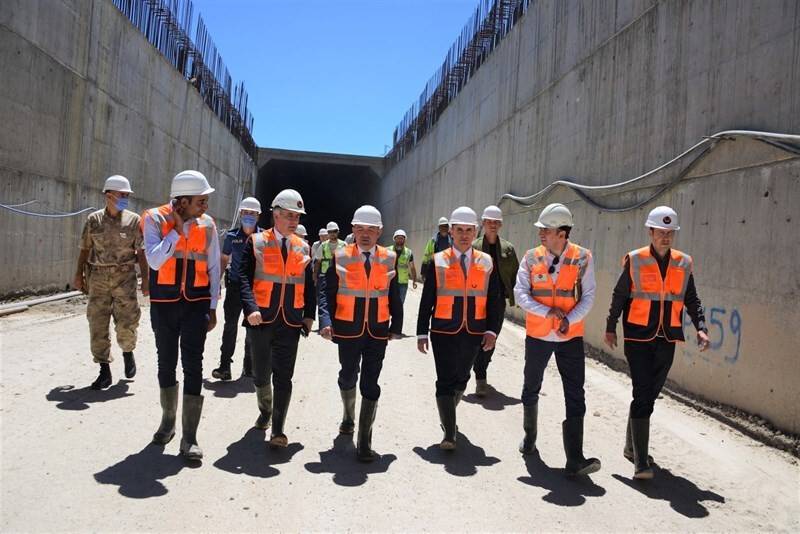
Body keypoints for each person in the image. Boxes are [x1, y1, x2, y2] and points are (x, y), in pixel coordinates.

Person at [605, 205, 710, 480]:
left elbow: (692, 300)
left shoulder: (683, 263)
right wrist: (610, 326)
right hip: (638, 336)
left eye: (670, 233)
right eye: (661, 232)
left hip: (668, 337)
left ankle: (630, 447)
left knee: (649, 395)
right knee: (642, 393)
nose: (666, 237)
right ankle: (641, 462)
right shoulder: (636, 259)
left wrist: (701, 328)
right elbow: (619, 296)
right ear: (650, 232)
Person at [513, 202, 601, 476]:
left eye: (547, 230)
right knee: (531, 387)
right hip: (538, 335)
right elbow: (520, 294)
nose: (541, 233)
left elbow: (589, 295)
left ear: (562, 233)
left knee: (575, 394)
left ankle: (575, 458)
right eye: (541, 229)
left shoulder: (583, 257)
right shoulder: (530, 257)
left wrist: (568, 319)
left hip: (570, 337)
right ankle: (529, 438)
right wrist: (548, 312)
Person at [143, 170, 220, 461]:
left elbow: (213, 268)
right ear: (182, 201)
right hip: (164, 304)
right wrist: (176, 230)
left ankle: (190, 436)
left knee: (194, 365)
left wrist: (213, 307)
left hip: (196, 304)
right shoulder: (154, 219)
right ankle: (168, 421)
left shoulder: (209, 225)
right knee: (166, 362)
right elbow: (154, 259)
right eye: (201, 200)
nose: (205, 206)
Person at [318, 206, 403, 461]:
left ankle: (364, 441)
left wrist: (396, 326)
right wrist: (325, 320)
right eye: (360, 229)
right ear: (353, 230)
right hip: (348, 329)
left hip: (377, 331)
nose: (365, 234)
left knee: (370, 383)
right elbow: (326, 291)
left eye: (371, 230)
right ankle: (348, 415)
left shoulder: (389, 257)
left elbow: (392, 294)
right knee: (347, 375)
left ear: (379, 232)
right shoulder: (340, 256)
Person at [417, 207, 503, 450]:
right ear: (451, 232)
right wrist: (422, 331)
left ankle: (448, 415)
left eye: (469, 230)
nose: (464, 234)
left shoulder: (487, 262)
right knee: (444, 380)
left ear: (475, 231)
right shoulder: (438, 260)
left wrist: (492, 331)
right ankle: (449, 433)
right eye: (459, 230)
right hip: (443, 330)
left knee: (462, 379)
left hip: (474, 330)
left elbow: (495, 299)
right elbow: (427, 299)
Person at [238, 189, 316, 449]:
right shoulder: (257, 242)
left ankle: (279, 430)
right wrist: (250, 308)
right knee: (261, 375)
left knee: (284, 376)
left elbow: (309, 285)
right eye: (289, 215)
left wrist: (308, 315)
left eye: (297, 216)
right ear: (276, 215)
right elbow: (243, 278)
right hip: (261, 319)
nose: (294, 221)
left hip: (291, 321)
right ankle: (265, 410)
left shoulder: (303, 246)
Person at [74, 175, 148, 389]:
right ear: (109, 195)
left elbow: (141, 253)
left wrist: (146, 280)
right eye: (122, 195)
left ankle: (127, 351)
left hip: (125, 278)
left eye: (127, 195)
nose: (125, 198)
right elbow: (85, 249)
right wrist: (79, 274)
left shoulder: (134, 221)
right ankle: (104, 369)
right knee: (97, 324)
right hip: (98, 278)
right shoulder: (93, 220)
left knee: (127, 322)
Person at [212, 197, 262, 381]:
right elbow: (224, 260)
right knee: (230, 327)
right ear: (240, 214)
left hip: (255, 290)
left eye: (252, 213)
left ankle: (249, 367)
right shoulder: (232, 237)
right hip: (234, 288)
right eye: (246, 212)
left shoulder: (264, 238)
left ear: (258, 215)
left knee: (253, 329)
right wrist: (216, 284)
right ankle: (225, 366)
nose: (249, 216)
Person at [471, 205, 519, 396]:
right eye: (488, 222)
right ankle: (480, 376)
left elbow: (515, 273)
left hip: (497, 299)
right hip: (476, 298)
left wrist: (515, 294)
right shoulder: (474, 247)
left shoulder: (508, 248)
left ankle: (483, 366)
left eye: (495, 222)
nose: (492, 225)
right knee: (476, 336)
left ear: (500, 225)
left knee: (492, 336)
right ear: (483, 223)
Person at [391, 229, 417, 304]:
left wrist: (414, 280)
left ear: (404, 240)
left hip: (403, 283)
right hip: (390, 282)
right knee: (389, 303)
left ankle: (397, 316)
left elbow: (412, 267)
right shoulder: (388, 250)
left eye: (401, 238)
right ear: (394, 239)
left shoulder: (409, 252)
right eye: (398, 238)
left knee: (400, 303)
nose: (400, 241)